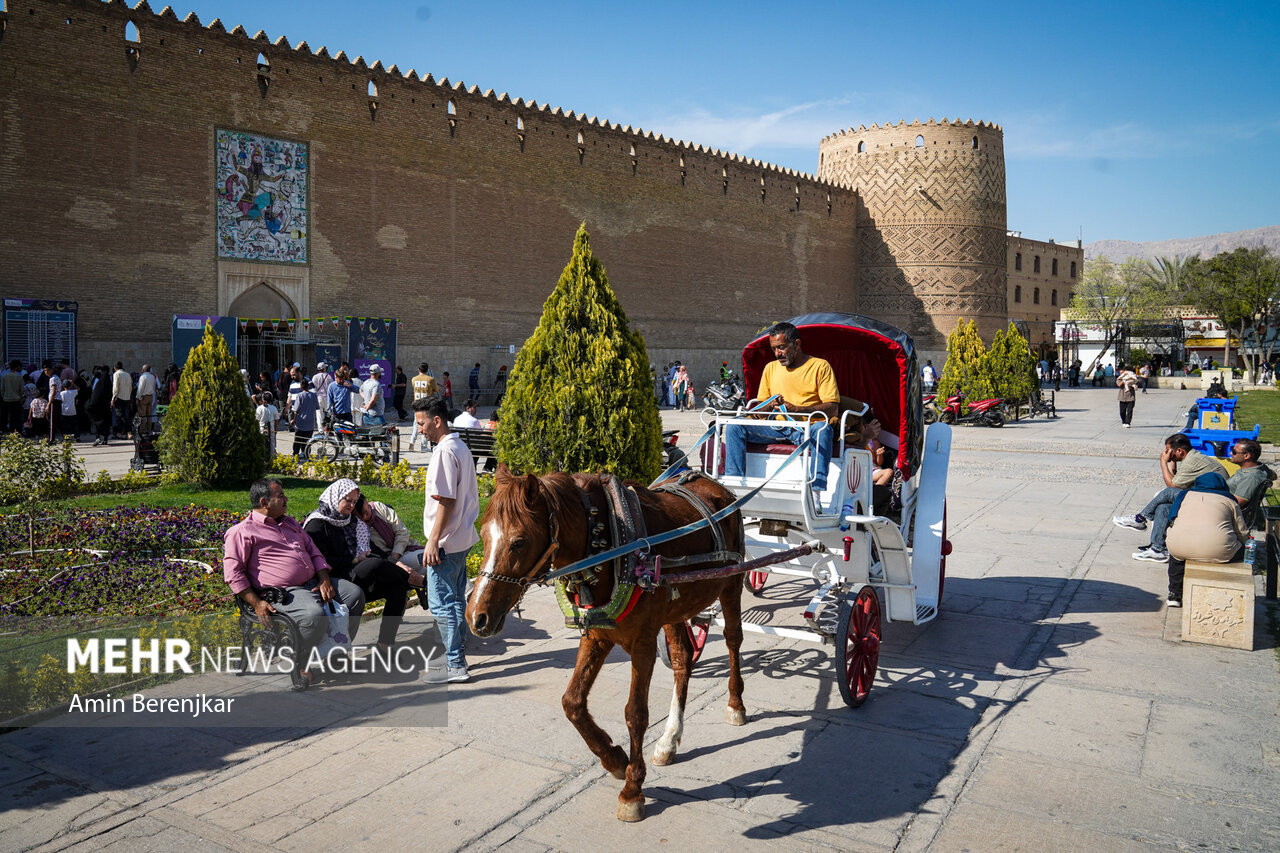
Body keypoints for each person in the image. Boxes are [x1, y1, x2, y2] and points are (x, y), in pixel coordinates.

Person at [223, 477, 366, 689]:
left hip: (314, 581)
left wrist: (324, 578)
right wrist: (256, 603)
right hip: (282, 592)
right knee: (313, 615)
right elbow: (233, 574)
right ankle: (302, 663)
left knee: (354, 595)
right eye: (280, 496)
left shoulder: (289, 523)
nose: (286, 499)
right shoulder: (242, 532)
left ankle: (335, 650)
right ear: (264, 503)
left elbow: (314, 552)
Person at [723, 322, 839, 496]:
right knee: (734, 426)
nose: (778, 354)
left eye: (782, 348)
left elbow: (832, 408)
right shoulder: (770, 368)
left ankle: (816, 491)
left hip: (807, 430)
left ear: (797, 344)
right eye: (774, 349)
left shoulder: (820, 366)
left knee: (823, 429)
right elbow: (759, 412)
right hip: (777, 428)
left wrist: (798, 410)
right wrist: (769, 405)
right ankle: (734, 487)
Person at [303, 479, 420, 651]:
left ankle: (385, 644)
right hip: (333, 577)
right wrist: (354, 560)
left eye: (354, 501)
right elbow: (320, 561)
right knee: (374, 564)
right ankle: (417, 581)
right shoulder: (317, 523)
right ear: (335, 498)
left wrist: (397, 564)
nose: (351, 506)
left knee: (398, 586)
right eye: (347, 500)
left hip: (357, 573)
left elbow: (373, 550)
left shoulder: (351, 521)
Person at [412, 395, 480, 683]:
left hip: (446, 542)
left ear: (436, 421)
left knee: (441, 603)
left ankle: (455, 664)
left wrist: (433, 540)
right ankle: (458, 652)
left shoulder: (443, 452)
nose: (420, 430)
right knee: (453, 599)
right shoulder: (460, 446)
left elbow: (446, 501)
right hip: (461, 538)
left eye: (422, 423)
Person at [1113, 433, 1227, 562]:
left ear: (1179, 451)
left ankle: (1140, 519)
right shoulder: (1190, 457)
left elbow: (1172, 485)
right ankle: (1157, 549)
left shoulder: (1192, 461)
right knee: (1163, 507)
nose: (1166, 453)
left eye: (1169, 451)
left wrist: (1163, 462)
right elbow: (1176, 481)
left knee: (1167, 492)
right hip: (1204, 498)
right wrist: (1172, 460)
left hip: (1213, 502)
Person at [1163, 471, 1249, 608]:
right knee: (1239, 549)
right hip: (1218, 551)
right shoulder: (1229, 500)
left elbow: (1172, 518)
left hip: (1179, 546)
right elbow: (1241, 530)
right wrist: (1246, 545)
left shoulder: (1184, 495)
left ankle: (1174, 594)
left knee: (1176, 558)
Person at [1226, 439, 1276, 530]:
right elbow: (1273, 475)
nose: (1230, 453)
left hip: (1229, 517)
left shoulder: (1251, 478)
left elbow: (1236, 503)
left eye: (1234, 452)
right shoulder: (1260, 468)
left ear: (1246, 456)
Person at [290, 378, 318, 458]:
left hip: (300, 422)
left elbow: (295, 410)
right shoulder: (313, 396)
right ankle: (306, 455)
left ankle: (295, 455)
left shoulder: (300, 396)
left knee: (298, 440)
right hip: (310, 422)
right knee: (307, 440)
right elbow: (316, 407)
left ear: (301, 387)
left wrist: (294, 419)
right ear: (308, 386)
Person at [88, 365, 112, 446]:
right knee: (106, 423)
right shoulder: (109, 381)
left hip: (97, 406)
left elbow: (94, 393)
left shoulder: (99, 381)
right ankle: (105, 439)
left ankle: (97, 437)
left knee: (96, 421)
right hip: (106, 406)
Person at [110, 361, 133, 439]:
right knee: (123, 416)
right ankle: (120, 433)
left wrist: (113, 398)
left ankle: (128, 432)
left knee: (121, 416)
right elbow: (130, 387)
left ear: (115, 368)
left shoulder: (116, 374)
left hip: (119, 397)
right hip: (127, 397)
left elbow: (116, 387)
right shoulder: (127, 374)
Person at [255, 392, 279, 458]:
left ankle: (263, 459)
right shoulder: (273, 408)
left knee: (262, 445)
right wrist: (276, 429)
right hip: (271, 430)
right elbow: (276, 419)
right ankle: (271, 459)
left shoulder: (259, 408)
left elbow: (257, 420)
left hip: (262, 429)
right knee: (272, 445)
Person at [135, 364, 158, 431]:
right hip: (150, 396)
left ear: (144, 369)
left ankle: (143, 429)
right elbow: (154, 387)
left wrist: (137, 397)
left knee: (143, 414)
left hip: (143, 397)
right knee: (149, 414)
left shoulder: (143, 377)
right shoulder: (152, 377)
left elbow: (140, 388)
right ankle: (149, 429)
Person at [1115, 363, 1137, 427]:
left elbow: (1136, 383)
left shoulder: (1131, 376)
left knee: (1130, 410)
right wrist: (1124, 379)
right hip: (1122, 397)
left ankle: (1128, 422)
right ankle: (1124, 421)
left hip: (1131, 396)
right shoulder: (1119, 378)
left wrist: (1134, 385)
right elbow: (1119, 384)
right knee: (1122, 411)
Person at [311, 362, 333, 426]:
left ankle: (321, 430)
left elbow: (313, 389)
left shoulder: (314, 377)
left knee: (319, 414)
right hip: (327, 398)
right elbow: (331, 388)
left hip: (318, 398)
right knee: (328, 414)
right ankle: (328, 428)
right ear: (324, 368)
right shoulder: (328, 377)